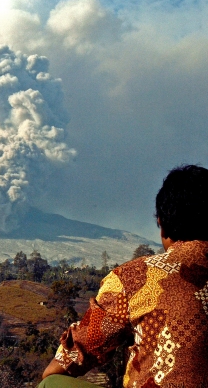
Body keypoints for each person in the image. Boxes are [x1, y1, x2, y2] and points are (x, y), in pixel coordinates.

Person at [39, 164, 208, 388]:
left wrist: (53, 373)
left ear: (162, 225)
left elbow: (76, 353)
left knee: (51, 385)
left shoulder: (135, 278)